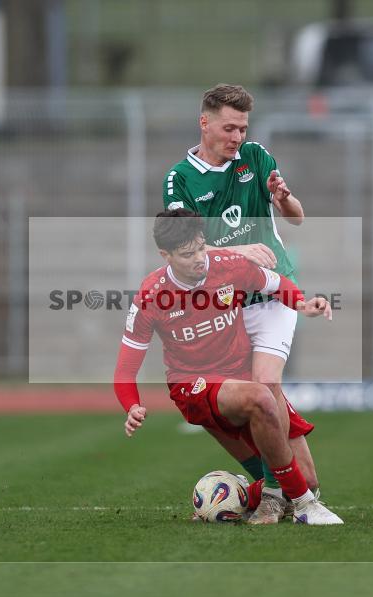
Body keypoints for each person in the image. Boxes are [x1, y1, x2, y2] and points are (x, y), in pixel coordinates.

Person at [113, 209, 343, 525]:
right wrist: (132, 406)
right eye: (186, 254)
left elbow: (276, 284)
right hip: (194, 388)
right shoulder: (151, 296)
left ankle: (233, 498)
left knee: (308, 478)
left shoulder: (229, 267)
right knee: (262, 397)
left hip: (240, 378)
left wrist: (302, 303)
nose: (198, 259)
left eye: (200, 248)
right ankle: (305, 506)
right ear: (164, 255)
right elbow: (125, 370)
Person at [162, 83, 317, 523]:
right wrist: (236, 253)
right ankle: (281, 480)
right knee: (218, 405)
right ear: (204, 122)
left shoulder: (256, 157)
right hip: (223, 302)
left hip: (271, 290)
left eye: (243, 128)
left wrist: (284, 196)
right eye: (229, 128)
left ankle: (272, 493)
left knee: (265, 385)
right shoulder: (180, 179)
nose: (237, 138)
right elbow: (182, 246)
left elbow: (297, 217)